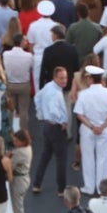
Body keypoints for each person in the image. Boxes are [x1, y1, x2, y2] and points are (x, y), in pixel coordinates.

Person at [75, 64, 107, 196]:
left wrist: (92, 127)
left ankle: (89, 187)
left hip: (88, 130)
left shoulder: (82, 94)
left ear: (90, 79)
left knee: (88, 157)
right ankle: (102, 188)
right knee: (103, 158)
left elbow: (79, 114)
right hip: (104, 130)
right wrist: (103, 126)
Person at [32, 66, 71, 195]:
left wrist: (41, 114)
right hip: (56, 127)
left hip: (47, 126)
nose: (64, 80)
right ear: (55, 77)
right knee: (61, 158)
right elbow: (55, 111)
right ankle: (61, 189)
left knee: (45, 156)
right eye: (61, 78)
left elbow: (37, 97)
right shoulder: (56, 93)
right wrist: (62, 122)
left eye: (65, 77)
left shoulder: (48, 86)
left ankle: (37, 183)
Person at [10, 129, 33, 213]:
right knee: (19, 208)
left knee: (18, 210)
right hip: (25, 179)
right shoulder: (28, 148)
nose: (14, 142)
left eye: (16, 141)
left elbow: (10, 165)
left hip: (18, 181)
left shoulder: (19, 152)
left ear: (22, 141)